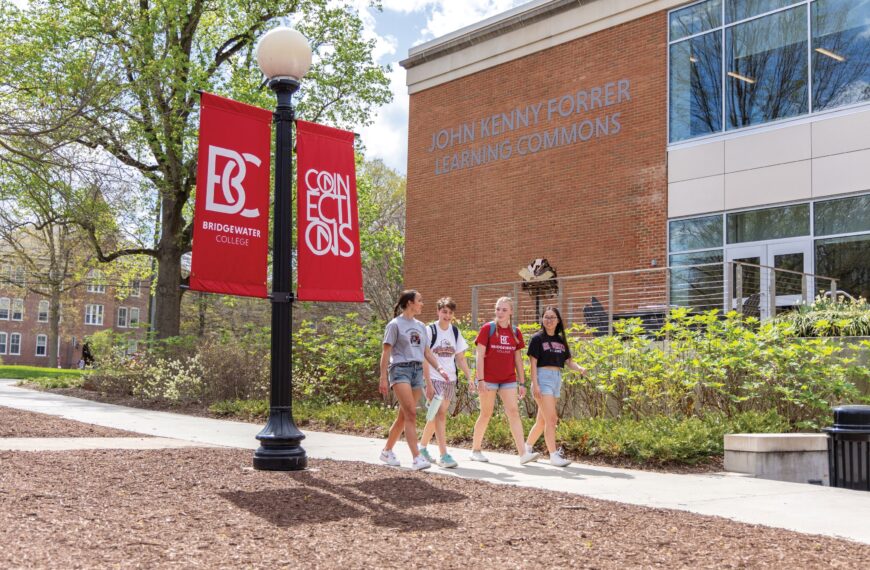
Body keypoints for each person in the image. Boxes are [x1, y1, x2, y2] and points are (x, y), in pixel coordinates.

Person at [379, 289, 449, 470]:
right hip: (400, 369)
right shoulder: (394, 325)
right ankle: (417, 457)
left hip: (417, 370)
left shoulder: (420, 326)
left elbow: (426, 352)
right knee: (411, 413)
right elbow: (386, 352)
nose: (422, 303)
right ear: (410, 303)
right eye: (420, 300)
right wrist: (383, 378)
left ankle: (387, 451)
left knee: (404, 416)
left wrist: (439, 368)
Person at [470, 296, 539, 465]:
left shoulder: (515, 332)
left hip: (508, 379)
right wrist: (480, 379)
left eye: (504, 310)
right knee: (486, 413)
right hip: (489, 379)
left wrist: (522, 382)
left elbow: (518, 359)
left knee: (514, 412)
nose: (500, 313)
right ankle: (476, 450)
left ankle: (523, 454)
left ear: (511, 312)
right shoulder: (488, 328)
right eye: (498, 309)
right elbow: (479, 355)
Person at [524, 306, 586, 467]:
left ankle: (526, 448)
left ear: (558, 320)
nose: (549, 320)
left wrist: (579, 368)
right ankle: (553, 455)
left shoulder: (560, 340)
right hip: (542, 379)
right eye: (546, 317)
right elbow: (533, 364)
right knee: (552, 419)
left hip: (557, 379)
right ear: (542, 319)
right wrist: (535, 384)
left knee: (542, 421)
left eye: (552, 317)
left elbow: (568, 361)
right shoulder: (537, 338)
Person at [418, 297, 473, 469]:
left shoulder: (455, 332)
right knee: (440, 415)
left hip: (450, 380)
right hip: (434, 378)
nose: (447, 315)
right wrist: (428, 383)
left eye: (450, 313)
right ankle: (444, 455)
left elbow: (461, 357)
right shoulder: (430, 330)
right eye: (444, 312)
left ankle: (422, 448)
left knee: (436, 416)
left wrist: (470, 378)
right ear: (438, 311)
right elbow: (425, 357)